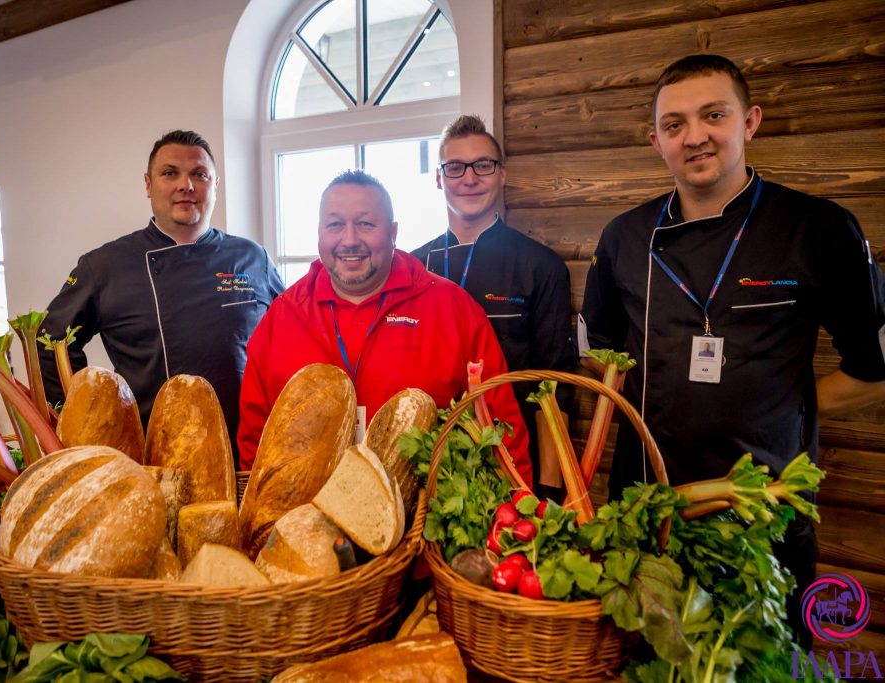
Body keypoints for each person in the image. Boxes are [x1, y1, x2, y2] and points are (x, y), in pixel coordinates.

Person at [579, 54, 885, 645]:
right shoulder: (624, 237)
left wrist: (787, 406)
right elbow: (602, 358)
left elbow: (872, 371)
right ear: (656, 141)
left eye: (713, 115)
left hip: (765, 516)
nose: (695, 136)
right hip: (649, 513)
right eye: (674, 125)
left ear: (750, 122)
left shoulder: (820, 229)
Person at [237, 169, 532, 482]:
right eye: (335, 224)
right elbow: (255, 441)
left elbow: (501, 428)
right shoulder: (282, 317)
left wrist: (514, 512)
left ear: (393, 232)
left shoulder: (453, 309)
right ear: (320, 232)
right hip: (305, 520)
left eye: (365, 224)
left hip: (421, 519)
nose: (349, 240)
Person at [38, 130, 284, 455]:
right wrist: (80, 422)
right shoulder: (105, 265)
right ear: (148, 185)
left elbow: (290, 335)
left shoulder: (252, 257)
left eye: (199, 174)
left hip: (244, 449)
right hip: (148, 456)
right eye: (170, 173)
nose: (186, 185)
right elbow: (50, 342)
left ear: (215, 184)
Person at [411, 115, 576, 493]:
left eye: (483, 165)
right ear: (439, 178)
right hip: (423, 463)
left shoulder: (540, 265)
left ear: (502, 173)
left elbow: (553, 384)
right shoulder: (412, 266)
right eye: (455, 167)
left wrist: (548, 488)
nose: (469, 179)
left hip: (511, 465)